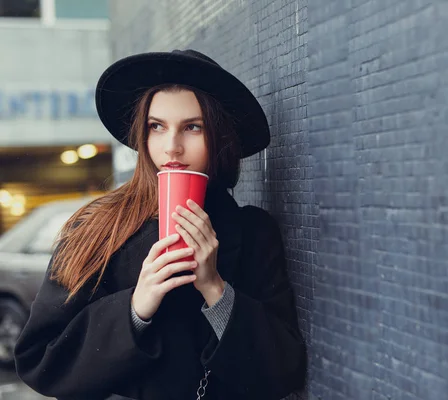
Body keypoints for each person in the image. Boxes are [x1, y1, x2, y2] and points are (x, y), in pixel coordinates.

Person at [14, 50, 307, 400]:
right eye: (157, 126)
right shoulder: (95, 227)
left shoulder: (254, 232)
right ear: (143, 135)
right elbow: (41, 359)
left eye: (193, 127)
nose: (172, 147)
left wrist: (215, 288)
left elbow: (283, 371)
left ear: (219, 137)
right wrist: (136, 307)